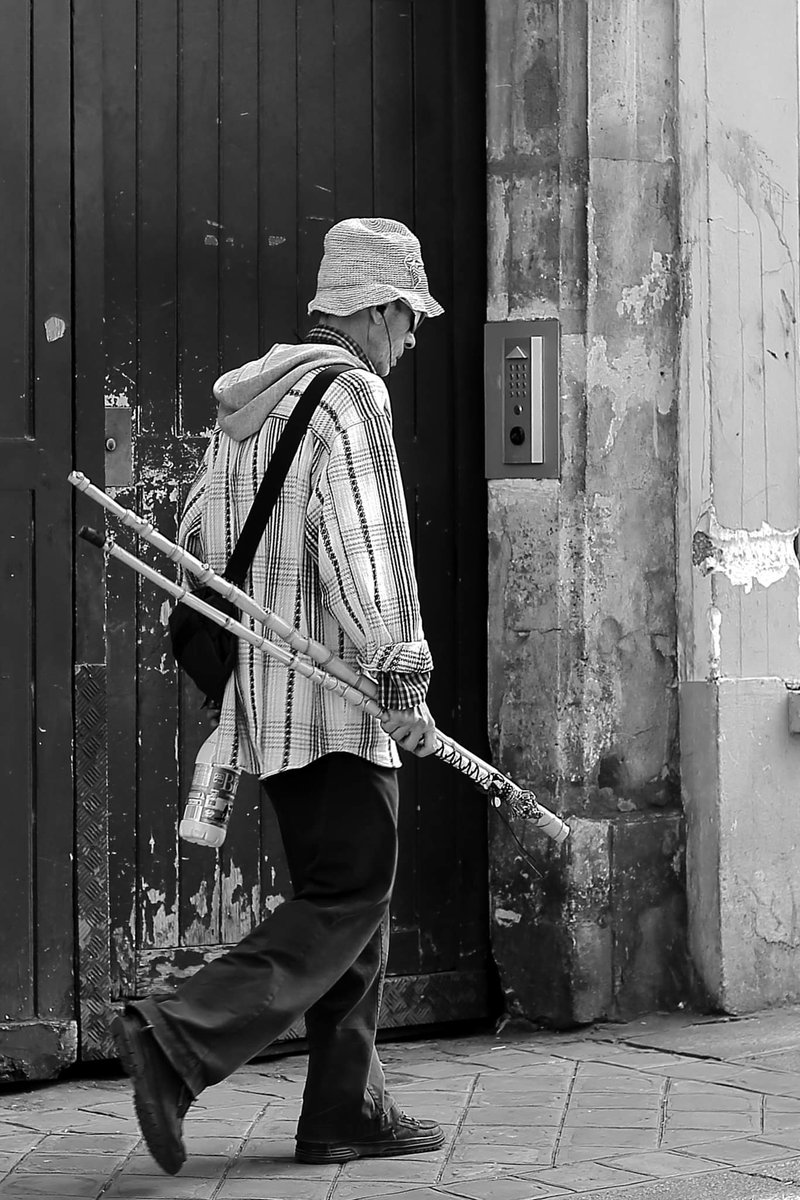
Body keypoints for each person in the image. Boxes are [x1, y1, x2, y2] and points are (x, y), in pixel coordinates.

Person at [112, 218, 446, 1176]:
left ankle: (347, 1107)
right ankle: (179, 1037)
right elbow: (364, 548)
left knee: (351, 904)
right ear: (376, 310)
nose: (411, 337)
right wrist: (401, 676)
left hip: (272, 701)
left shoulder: (255, 400)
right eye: (408, 318)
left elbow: (199, 539)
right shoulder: (352, 398)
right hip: (340, 703)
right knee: (349, 895)